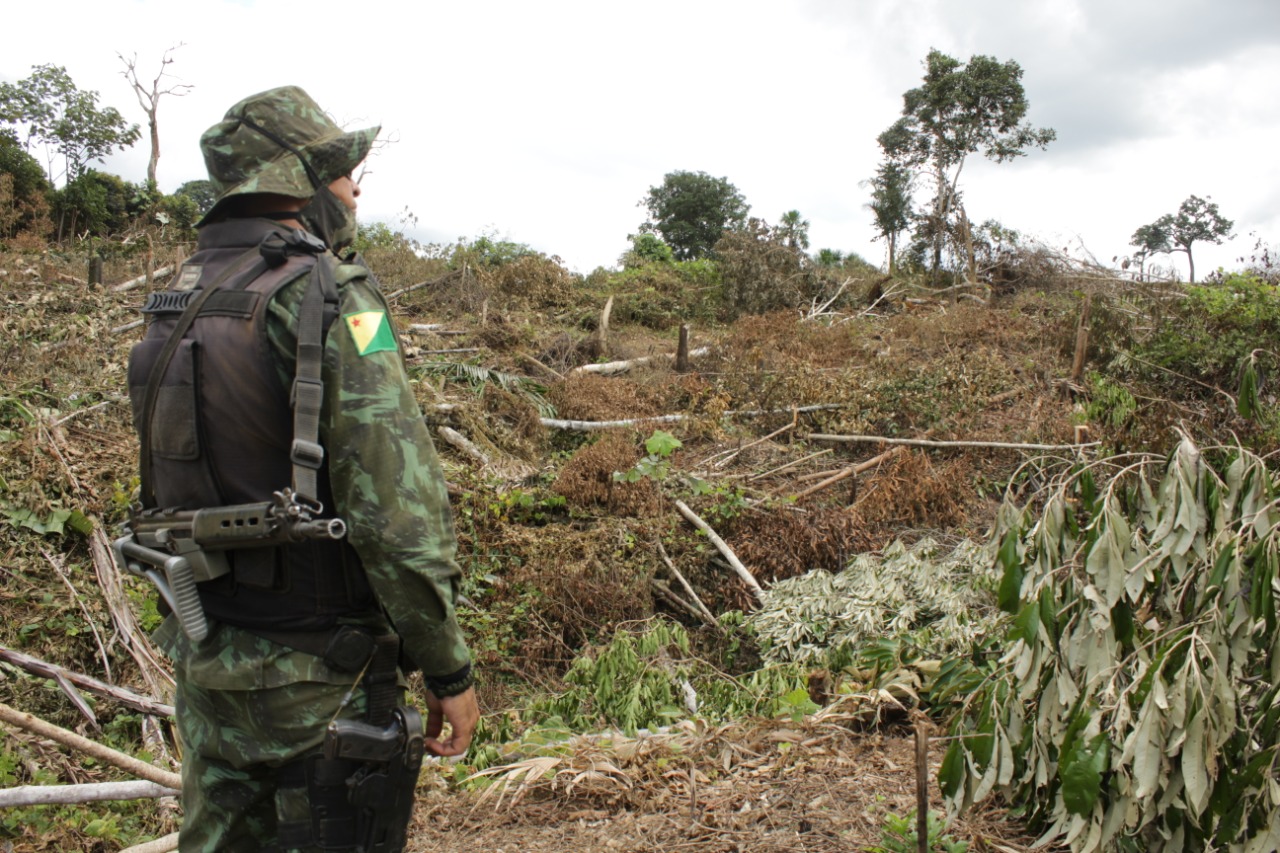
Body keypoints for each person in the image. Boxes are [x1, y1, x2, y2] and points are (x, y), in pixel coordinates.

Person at [125, 85, 478, 852]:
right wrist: (448, 668)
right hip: (322, 679)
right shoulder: (330, 293)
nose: (355, 187)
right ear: (302, 181)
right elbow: (396, 508)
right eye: (343, 171)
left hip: (209, 655)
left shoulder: (180, 296)